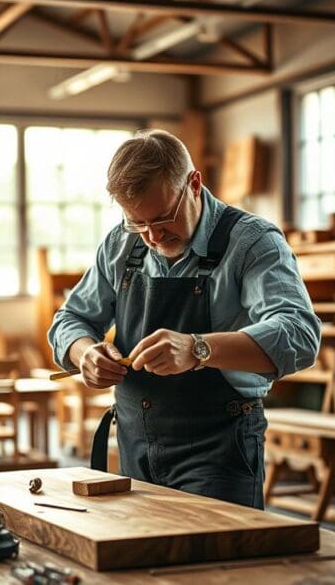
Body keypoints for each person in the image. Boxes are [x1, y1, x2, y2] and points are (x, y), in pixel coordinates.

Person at [48, 129, 320, 509]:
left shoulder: (252, 243)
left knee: (214, 563)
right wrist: (84, 354)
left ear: (194, 183)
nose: (153, 237)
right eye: (137, 224)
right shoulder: (120, 244)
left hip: (219, 448)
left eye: (162, 218)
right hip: (134, 443)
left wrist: (198, 348)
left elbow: (299, 334)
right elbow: (70, 318)